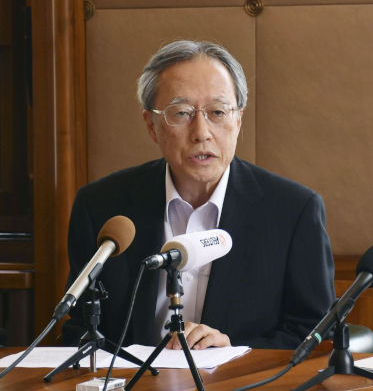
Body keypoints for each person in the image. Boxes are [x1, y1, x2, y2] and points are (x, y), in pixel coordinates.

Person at [62, 40, 336, 350]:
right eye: (181, 113)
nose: (201, 132)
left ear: (238, 120)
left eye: (217, 112)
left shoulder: (293, 211)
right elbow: (81, 329)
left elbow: (314, 333)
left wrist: (234, 351)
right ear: (151, 126)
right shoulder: (101, 207)